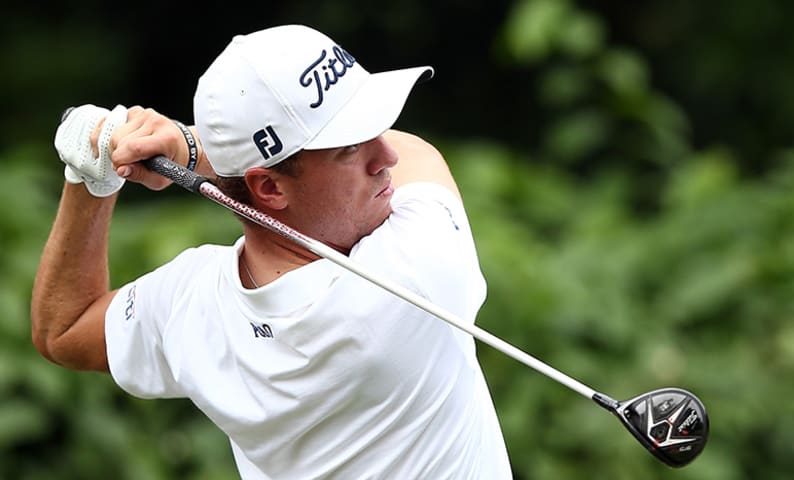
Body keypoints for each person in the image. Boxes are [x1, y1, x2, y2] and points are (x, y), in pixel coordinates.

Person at [31, 25, 512, 479]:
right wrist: (190, 146)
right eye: (350, 149)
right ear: (270, 188)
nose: (384, 157)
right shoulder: (417, 269)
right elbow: (417, 154)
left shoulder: (191, 305)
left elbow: (65, 329)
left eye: (375, 133)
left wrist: (92, 176)